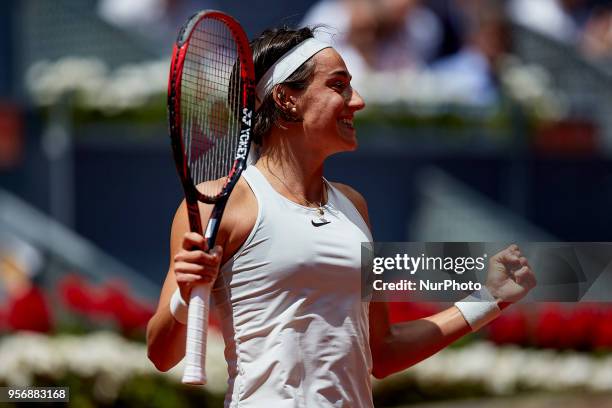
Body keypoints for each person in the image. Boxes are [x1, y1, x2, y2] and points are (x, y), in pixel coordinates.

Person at [146, 26, 536, 407]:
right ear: (286, 98)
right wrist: (184, 296)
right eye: (338, 85)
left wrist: (489, 299)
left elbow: (381, 351)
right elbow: (161, 355)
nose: (358, 100)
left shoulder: (354, 207)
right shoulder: (218, 203)